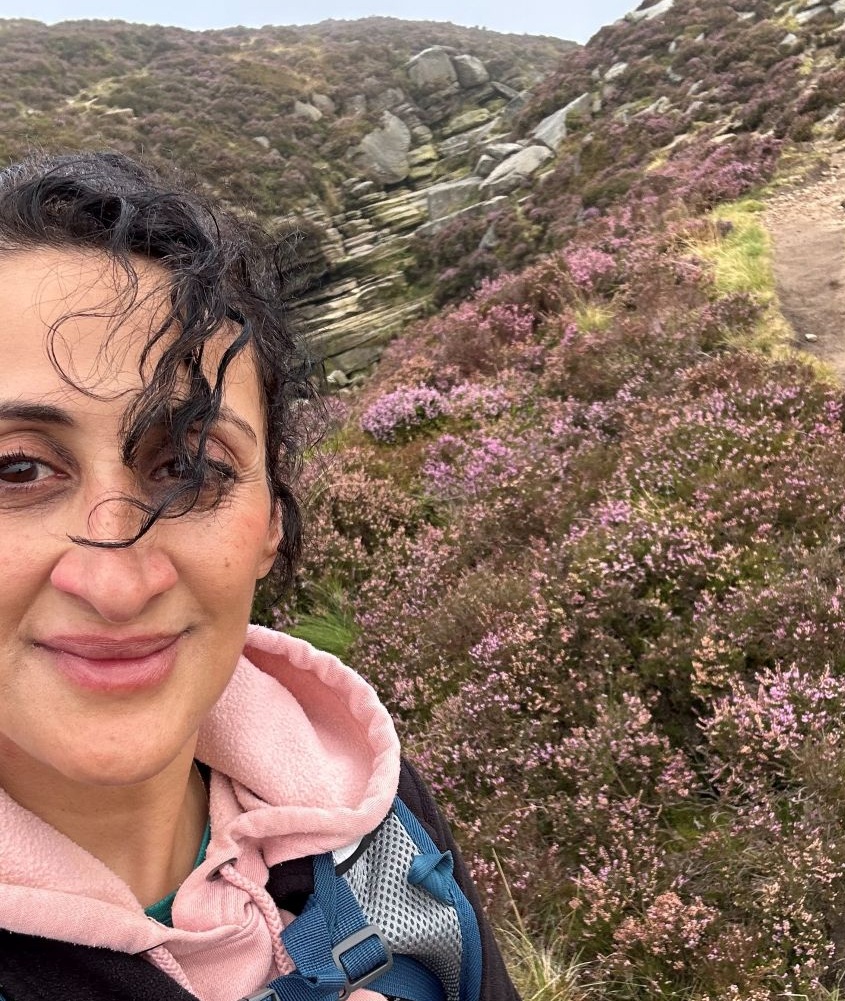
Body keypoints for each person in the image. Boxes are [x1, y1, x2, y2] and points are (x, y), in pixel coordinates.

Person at [0, 151, 518, 1001]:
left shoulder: (364, 801)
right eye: (17, 470)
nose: (117, 582)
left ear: (272, 519)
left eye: (192, 468)